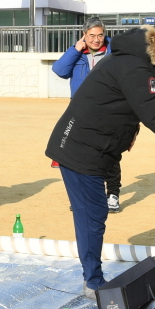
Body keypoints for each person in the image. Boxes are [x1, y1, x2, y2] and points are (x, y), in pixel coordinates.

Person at [45, 20, 155, 296]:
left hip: (92, 146)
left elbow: (123, 102)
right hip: (80, 148)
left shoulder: (132, 60)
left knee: (93, 213)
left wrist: (129, 129)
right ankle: (93, 282)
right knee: (92, 215)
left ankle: (92, 276)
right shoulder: (137, 67)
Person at [51, 19, 122, 210]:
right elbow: (59, 70)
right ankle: (81, 197)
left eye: (100, 35)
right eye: (92, 35)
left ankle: (113, 194)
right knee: (79, 154)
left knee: (109, 152)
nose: (96, 40)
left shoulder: (113, 52)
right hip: (80, 110)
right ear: (84, 35)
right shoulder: (77, 53)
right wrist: (75, 50)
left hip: (107, 109)